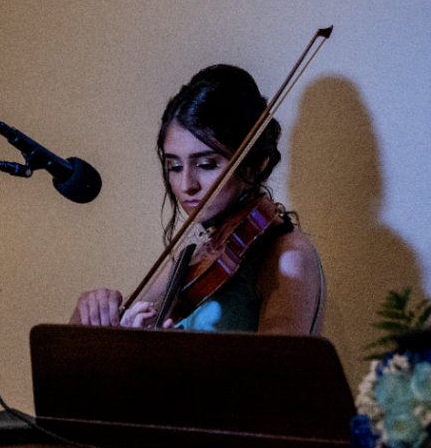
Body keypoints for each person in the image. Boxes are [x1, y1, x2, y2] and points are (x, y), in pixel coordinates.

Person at [70, 64, 325, 335]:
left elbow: (282, 375)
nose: (186, 185)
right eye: (175, 166)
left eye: (205, 164)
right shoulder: (195, 255)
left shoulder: (288, 254)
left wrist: (174, 357)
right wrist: (91, 315)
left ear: (255, 164)